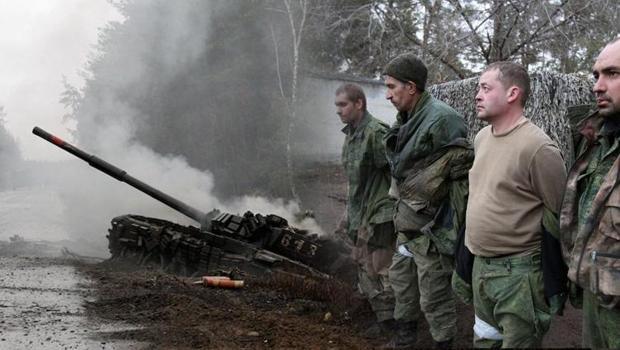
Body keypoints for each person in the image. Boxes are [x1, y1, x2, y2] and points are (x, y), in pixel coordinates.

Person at [465, 61, 567, 348]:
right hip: (481, 268)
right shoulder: (481, 138)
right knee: (485, 341)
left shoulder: (537, 147)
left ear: (512, 94)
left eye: (485, 88)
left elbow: (559, 210)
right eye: (478, 88)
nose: (477, 94)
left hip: (519, 276)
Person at [382, 53, 472, 349]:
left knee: (434, 296)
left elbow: (459, 184)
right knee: (402, 286)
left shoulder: (443, 120)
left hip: (432, 231)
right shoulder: (407, 118)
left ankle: (443, 344)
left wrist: (447, 234)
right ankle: (404, 340)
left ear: (411, 87)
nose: (387, 95)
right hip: (407, 224)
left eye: (392, 87)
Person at [560, 37, 620, 349]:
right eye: (596, 75)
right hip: (598, 300)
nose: (598, 85)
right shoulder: (596, 140)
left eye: (612, 74)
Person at [334, 83, 397, 339]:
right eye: (336, 106)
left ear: (359, 103)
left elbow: (398, 172)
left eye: (343, 104)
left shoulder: (376, 133)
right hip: (361, 213)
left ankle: (396, 329)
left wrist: (391, 209)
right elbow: (355, 183)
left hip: (380, 214)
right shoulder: (351, 135)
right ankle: (381, 320)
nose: (338, 111)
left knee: (381, 270)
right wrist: (346, 217)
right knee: (362, 265)